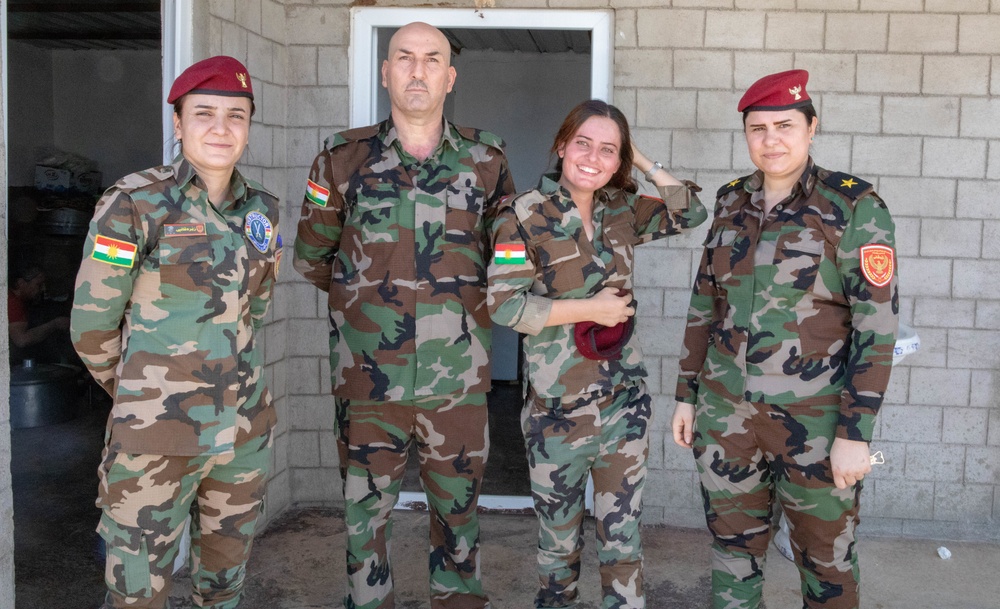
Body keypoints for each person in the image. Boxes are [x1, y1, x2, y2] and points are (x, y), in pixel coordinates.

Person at [293, 22, 515, 609]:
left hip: (458, 382)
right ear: (386, 72)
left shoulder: (486, 161)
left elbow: (509, 261)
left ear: (450, 77)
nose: (418, 71)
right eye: (405, 58)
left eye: (432, 60)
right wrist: (362, 306)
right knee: (365, 521)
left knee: (459, 517)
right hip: (369, 380)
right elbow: (314, 257)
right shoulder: (341, 160)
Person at [671, 70, 898, 609]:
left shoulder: (853, 207)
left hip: (815, 422)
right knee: (732, 551)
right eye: (757, 128)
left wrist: (856, 432)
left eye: (784, 125)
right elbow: (705, 303)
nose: (771, 140)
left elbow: (877, 326)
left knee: (826, 560)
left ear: (811, 127)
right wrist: (686, 395)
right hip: (725, 414)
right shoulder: (730, 204)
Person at [71, 56, 280, 609]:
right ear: (178, 123)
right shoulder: (135, 203)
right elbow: (91, 325)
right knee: (138, 593)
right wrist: (140, 393)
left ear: (249, 126)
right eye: (204, 113)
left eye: (236, 115)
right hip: (154, 438)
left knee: (224, 586)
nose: (221, 128)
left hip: (240, 435)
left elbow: (253, 311)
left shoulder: (261, 212)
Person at [487, 99, 707, 609]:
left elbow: (690, 211)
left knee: (622, 543)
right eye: (583, 143)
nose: (593, 157)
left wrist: (642, 161)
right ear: (561, 146)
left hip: (624, 408)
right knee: (558, 549)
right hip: (555, 413)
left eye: (609, 150)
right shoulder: (522, 216)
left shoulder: (623, 209)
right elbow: (503, 306)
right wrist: (592, 307)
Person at [8, 265, 70, 364]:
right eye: (39, 284)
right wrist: (55, 324)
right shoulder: (12, 302)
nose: (43, 289)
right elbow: (22, 340)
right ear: (21, 283)